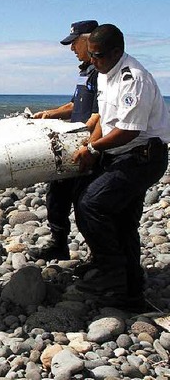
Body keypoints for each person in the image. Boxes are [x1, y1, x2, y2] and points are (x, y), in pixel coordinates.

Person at [70, 24, 169, 308]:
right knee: (122, 220)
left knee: (93, 204)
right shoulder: (105, 73)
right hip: (121, 154)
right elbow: (104, 117)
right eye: (90, 55)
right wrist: (93, 145)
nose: (93, 61)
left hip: (143, 156)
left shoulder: (133, 79)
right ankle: (130, 291)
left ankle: (110, 273)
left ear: (117, 52)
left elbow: (129, 131)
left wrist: (92, 148)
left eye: (98, 55)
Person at [29, 20, 100, 261]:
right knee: (56, 194)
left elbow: (99, 115)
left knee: (85, 203)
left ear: (89, 40)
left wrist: (88, 144)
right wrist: (48, 114)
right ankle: (58, 243)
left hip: (89, 145)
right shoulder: (84, 72)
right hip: (73, 142)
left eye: (74, 43)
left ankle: (98, 255)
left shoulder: (102, 72)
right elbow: (73, 105)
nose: (72, 49)